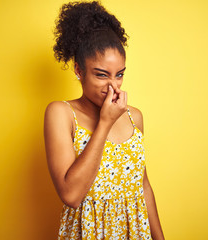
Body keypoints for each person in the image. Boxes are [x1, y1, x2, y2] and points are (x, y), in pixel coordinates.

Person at [44, 1, 165, 239]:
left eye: (119, 75)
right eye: (101, 75)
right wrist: (105, 123)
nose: (112, 86)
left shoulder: (134, 116)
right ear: (79, 71)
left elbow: (142, 185)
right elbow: (71, 196)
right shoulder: (61, 113)